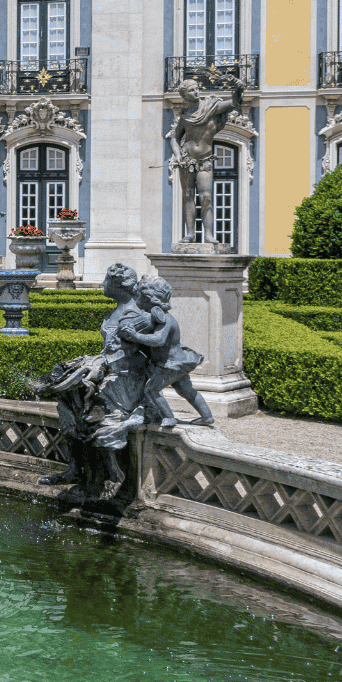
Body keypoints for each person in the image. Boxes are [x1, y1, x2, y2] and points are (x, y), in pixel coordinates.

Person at [117, 276, 211, 427]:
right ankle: (207, 416)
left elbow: (158, 340)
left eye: (139, 296)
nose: (136, 300)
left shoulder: (165, 319)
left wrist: (135, 335)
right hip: (179, 361)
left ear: (148, 298)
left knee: (151, 389)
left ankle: (169, 417)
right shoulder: (160, 318)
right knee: (186, 390)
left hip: (169, 364)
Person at [171, 78, 245, 245]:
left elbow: (233, 103)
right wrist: (177, 155)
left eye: (197, 89)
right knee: (188, 195)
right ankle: (190, 234)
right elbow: (175, 138)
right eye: (191, 90)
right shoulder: (184, 116)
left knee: (206, 197)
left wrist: (239, 90)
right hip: (187, 160)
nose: (196, 92)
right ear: (184, 95)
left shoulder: (211, 107)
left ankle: (208, 235)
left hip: (205, 160)